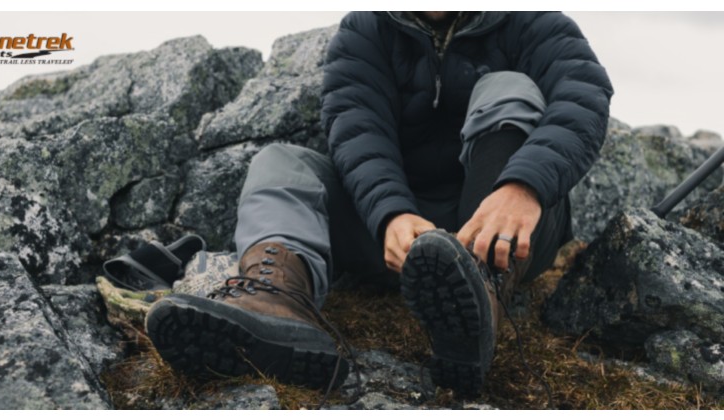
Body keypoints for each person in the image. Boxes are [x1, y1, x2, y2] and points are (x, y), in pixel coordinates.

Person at [144, 11, 613, 396]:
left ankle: (482, 294)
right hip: (396, 233)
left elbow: (583, 97)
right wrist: (390, 212)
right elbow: (356, 129)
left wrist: (524, 188)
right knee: (281, 162)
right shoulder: (363, 31)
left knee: (508, 87)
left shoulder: (536, 22)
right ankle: (277, 302)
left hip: (511, 231)